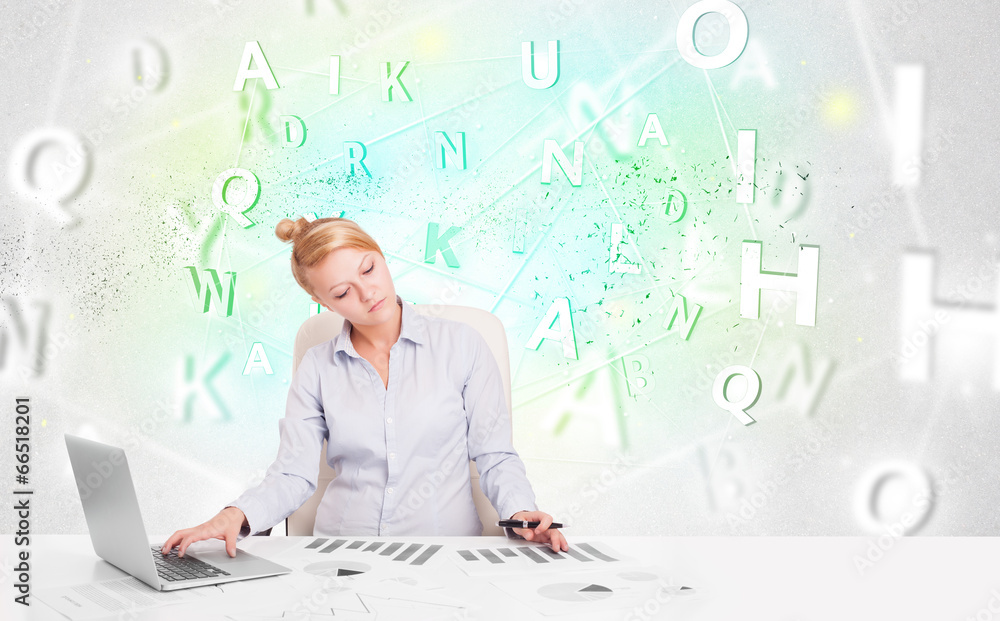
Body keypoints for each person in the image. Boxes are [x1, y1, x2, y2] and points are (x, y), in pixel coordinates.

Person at [162, 217, 567, 558]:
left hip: (445, 560)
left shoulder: (463, 345)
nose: (367, 293)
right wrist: (234, 515)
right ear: (324, 302)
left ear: (381, 256)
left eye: (369, 269)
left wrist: (521, 514)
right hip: (340, 559)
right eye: (342, 292)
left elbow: (494, 455)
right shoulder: (318, 366)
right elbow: (293, 474)